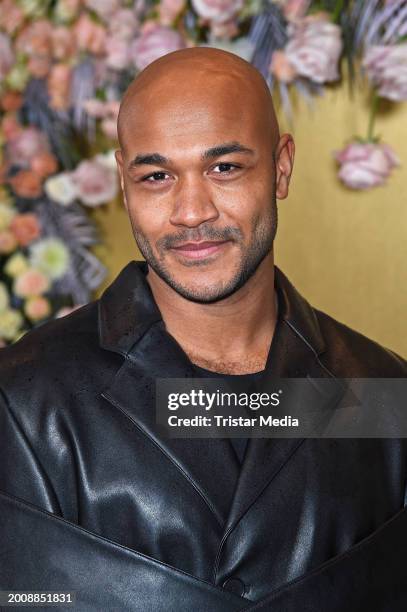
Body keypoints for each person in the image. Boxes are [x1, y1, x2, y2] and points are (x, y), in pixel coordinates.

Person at [0, 47, 406, 612]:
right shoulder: (23, 401)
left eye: (225, 168)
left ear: (281, 166)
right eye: (157, 175)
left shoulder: (384, 391)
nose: (192, 212)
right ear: (123, 181)